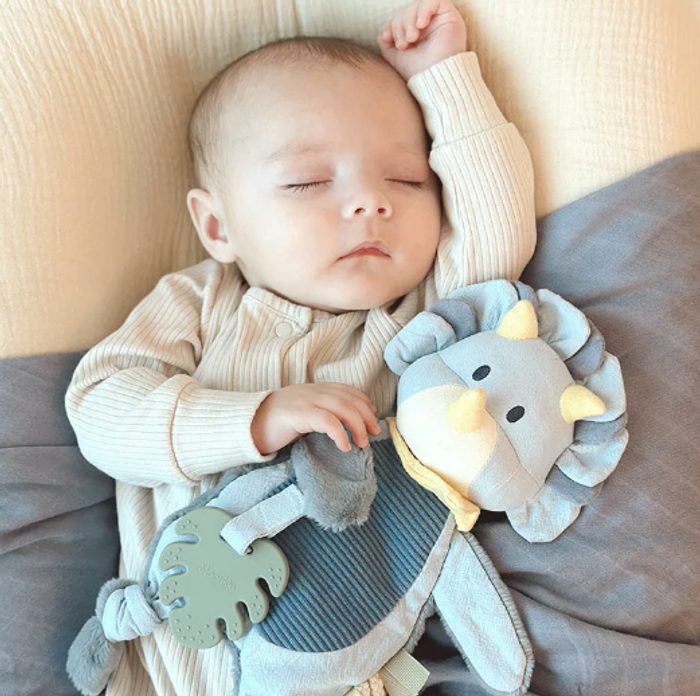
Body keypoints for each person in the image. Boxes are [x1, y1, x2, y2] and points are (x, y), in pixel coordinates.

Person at [65, 0, 536, 694]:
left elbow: (499, 232)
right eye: (308, 183)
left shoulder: (420, 320)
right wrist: (253, 419)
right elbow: (100, 411)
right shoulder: (199, 304)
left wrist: (444, 78)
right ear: (218, 226)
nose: (370, 202)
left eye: (408, 179)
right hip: (168, 666)